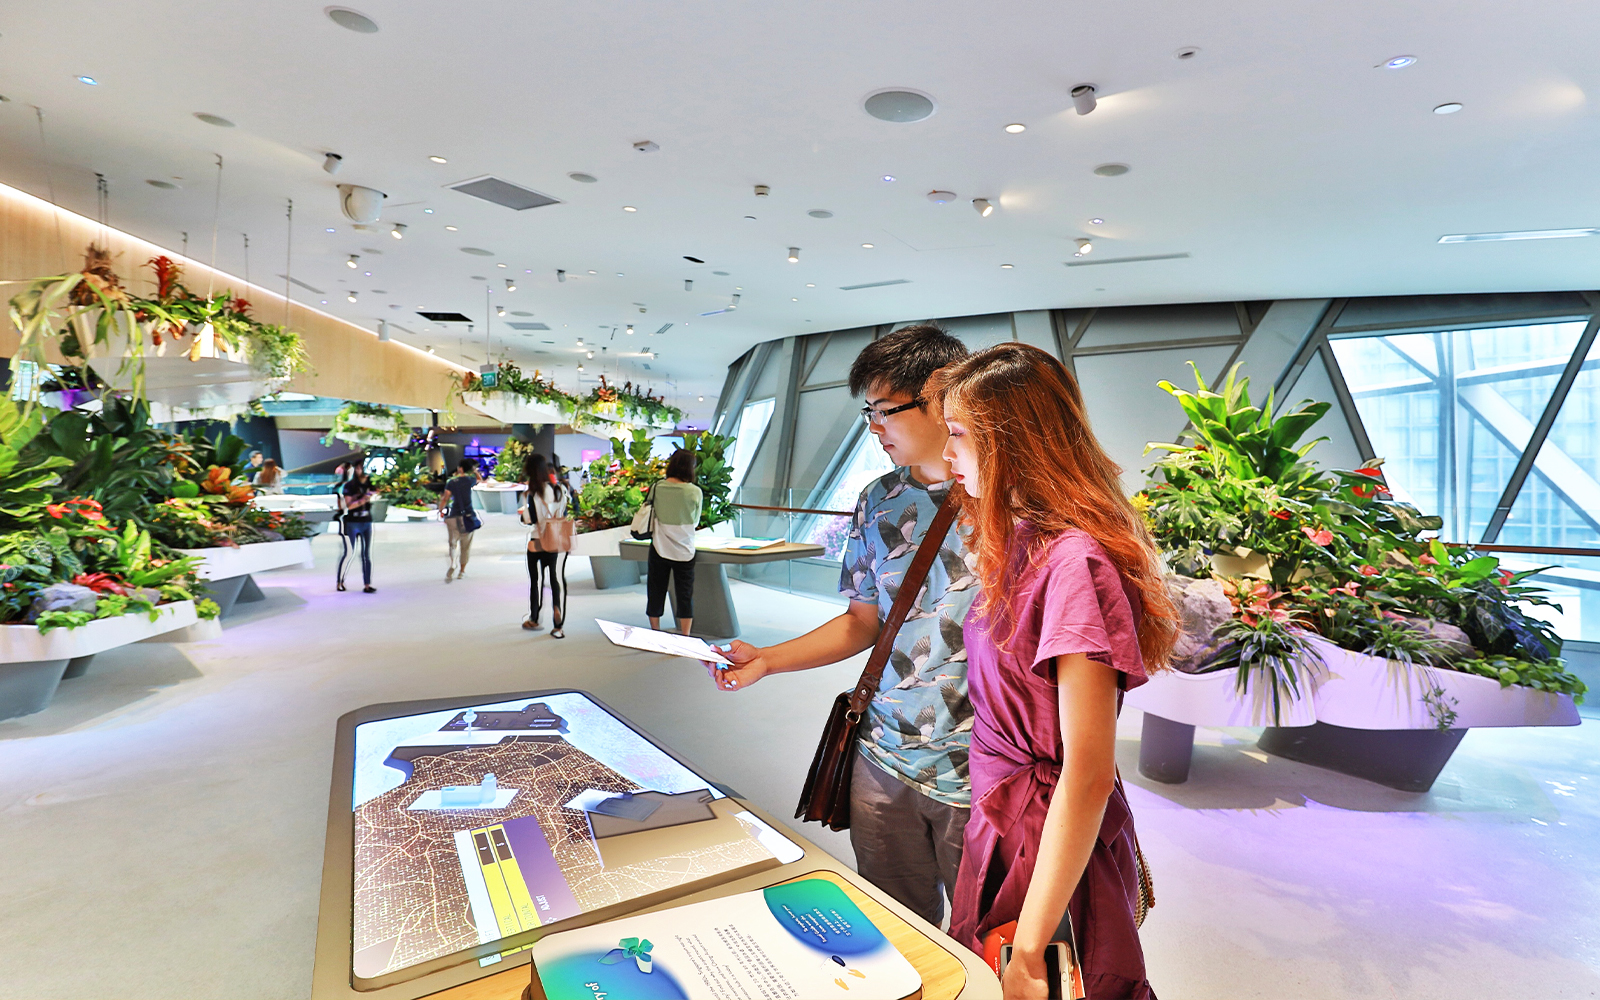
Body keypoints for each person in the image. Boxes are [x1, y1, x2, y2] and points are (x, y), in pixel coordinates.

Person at [931, 343, 1178, 1000]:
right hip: (1003, 816)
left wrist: (1033, 945)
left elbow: (1089, 773)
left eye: (959, 435)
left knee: (1062, 984)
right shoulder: (1021, 541)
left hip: (1046, 836)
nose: (949, 454)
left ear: (1011, 441)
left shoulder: (1072, 562)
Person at [709, 325, 973, 927]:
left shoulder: (1012, 501)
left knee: (990, 938)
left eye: (885, 411)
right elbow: (862, 622)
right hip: (883, 754)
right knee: (900, 927)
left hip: (980, 771)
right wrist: (768, 659)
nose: (874, 427)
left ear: (941, 398)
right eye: (868, 412)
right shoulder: (878, 499)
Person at [645, 448, 703, 635]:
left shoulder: (657, 487)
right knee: (685, 594)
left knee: (656, 590)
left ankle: (655, 631)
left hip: (659, 546)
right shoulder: (694, 492)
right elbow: (695, 521)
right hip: (684, 549)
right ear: (689, 468)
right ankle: (685, 636)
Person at [518, 453, 569, 637]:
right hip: (554, 540)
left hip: (537, 541)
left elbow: (528, 519)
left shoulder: (531, 493)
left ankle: (534, 617)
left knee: (536, 581)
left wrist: (523, 515)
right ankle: (557, 619)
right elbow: (564, 511)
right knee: (555, 580)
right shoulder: (559, 490)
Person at [337, 465, 378, 593]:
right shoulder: (349, 486)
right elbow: (349, 506)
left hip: (366, 521)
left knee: (366, 554)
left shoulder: (371, 485)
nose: (363, 471)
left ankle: (367, 584)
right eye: (360, 468)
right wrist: (364, 499)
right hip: (352, 522)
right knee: (349, 553)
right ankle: (340, 582)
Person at [439, 457, 479, 582]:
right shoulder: (470, 480)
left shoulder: (452, 482)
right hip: (468, 515)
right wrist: (474, 470)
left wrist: (441, 509)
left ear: (460, 468)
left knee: (452, 542)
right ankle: (462, 571)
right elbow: (480, 480)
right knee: (465, 546)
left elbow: (446, 497)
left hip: (454, 514)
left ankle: (453, 563)